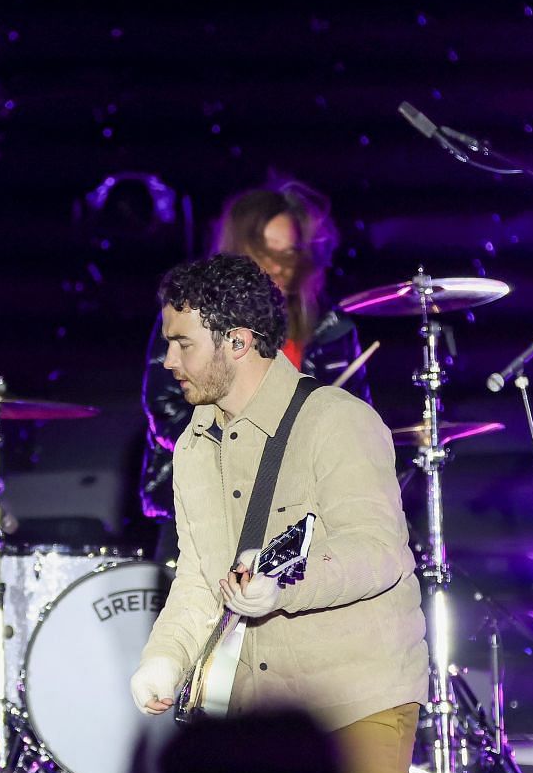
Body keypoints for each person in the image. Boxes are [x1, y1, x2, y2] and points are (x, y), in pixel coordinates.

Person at [128, 255, 427, 773]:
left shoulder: (337, 421)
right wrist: (163, 660)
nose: (168, 361)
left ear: (237, 343)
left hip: (353, 704)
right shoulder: (192, 445)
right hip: (256, 720)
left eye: (182, 344)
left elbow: (378, 551)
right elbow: (198, 578)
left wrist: (283, 586)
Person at [139, 178, 367, 554]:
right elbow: (167, 412)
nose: (279, 266)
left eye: (290, 253)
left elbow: (353, 418)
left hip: (300, 511)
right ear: (237, 251)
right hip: (205, 505)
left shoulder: (329, 327)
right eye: (265, 251)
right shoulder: (189, 315)